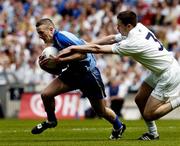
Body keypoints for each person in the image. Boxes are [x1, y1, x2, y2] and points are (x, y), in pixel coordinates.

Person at [57, 11, 180, 140]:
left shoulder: (133, 42)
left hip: (168, 74)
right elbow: (111, 38)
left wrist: (73, 48)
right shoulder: (139, 27)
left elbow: (98, 50)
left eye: (119, 25)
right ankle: (153, 134)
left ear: (128, 26)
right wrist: (85, 45)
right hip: (161, 69)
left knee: (149, 114)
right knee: (139, 99)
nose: (117, 28)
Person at [31, 18, 126, 140]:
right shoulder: (54, 44)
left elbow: (83, 53)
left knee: (100, 111)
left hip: (89, 75)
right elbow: (58, 70)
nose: (40, 36)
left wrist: (59, 60)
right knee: (46, 94)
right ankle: (51, 121)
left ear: (51, 29)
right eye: (38, 33)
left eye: (41, 33)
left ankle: (119, 127)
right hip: (73, 74)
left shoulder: (62, 37)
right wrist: (45, 66)